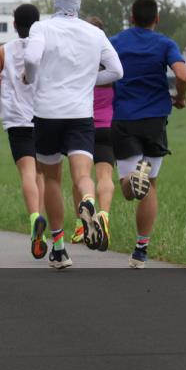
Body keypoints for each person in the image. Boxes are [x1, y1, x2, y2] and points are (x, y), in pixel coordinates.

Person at [23, 0, 123, 269]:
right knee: (82, 175)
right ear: (79, 4)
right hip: (80, 112)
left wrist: (32, 78)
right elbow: (117, 71)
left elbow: (31, 59)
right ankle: (88, 202)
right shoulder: (95, 33)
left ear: (55, 3)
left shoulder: (41, 29)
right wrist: (87, 80)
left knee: (52, 179)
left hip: (47, 112)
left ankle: (58, 248)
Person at [109, 0, 186, 269]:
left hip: (123, 118)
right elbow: (183, 75)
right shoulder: (166, 44)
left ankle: (133, 177)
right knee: (151, 185)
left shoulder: (116, 42)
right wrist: (179, 97)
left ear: (131, 17)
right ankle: (141, 250)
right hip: (155, 119)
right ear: (156, 19)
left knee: (129, 191)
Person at [0, 3, 49, 259]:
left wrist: (3, 78)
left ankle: (34, 216)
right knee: (43, 172)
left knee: (27, 172)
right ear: (38, 23)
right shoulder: (44, 47)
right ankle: (40, 228)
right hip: (43, 116)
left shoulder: (4, 51)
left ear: (14, 24)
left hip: (17, 120)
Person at [72, 16, 117, 247]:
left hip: (82, 126)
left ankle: (81, 227)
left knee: (80, 178)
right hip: (108, 127)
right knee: (105, 177)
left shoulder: (78, 61)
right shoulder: (111, 63)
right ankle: (104, 216)